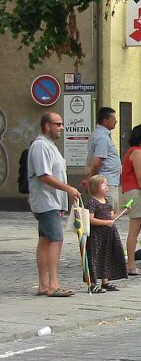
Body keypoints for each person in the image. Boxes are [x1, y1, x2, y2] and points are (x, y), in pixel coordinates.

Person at [28, 112, 81, 297]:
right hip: (45, 200)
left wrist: (62, 202)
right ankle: (53, 285)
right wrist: (69, 189)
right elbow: (44, 175)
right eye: (58, 124)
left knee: (45, 240)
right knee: (55, 240)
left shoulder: (50, 146)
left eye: (61, 124)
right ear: (47, 126)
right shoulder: (41, 146)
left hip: (51, 201)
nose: (62, 128)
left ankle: (44, 285)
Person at [120, 124, 141, 276]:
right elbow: (140, 176)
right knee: (134, 230)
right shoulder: (137, 152)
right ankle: (131, 265)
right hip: (135, 191)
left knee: (134, 230)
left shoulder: (134, 151)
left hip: (131, 191)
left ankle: (131, 264)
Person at [85, 175, 128, 292]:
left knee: (107, 256)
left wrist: (123, 210)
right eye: (104, 185)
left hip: (108, 234)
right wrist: (106, 223)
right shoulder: (92, 202)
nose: (107, 187)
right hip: (96, 235)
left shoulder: (107, 202)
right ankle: (93, 283)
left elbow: (112, 217)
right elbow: (90, 219)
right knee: (95, 257)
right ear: (96, 187)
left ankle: (105, 281)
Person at [84, 107, 121, 211]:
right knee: (107, 214)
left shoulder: (101, 135)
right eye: (113, 119)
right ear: (105, 121)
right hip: (106, 181)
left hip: (109, 180)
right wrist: (90, 180)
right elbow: (96, 163)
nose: (116, 121)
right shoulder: (102, 137)